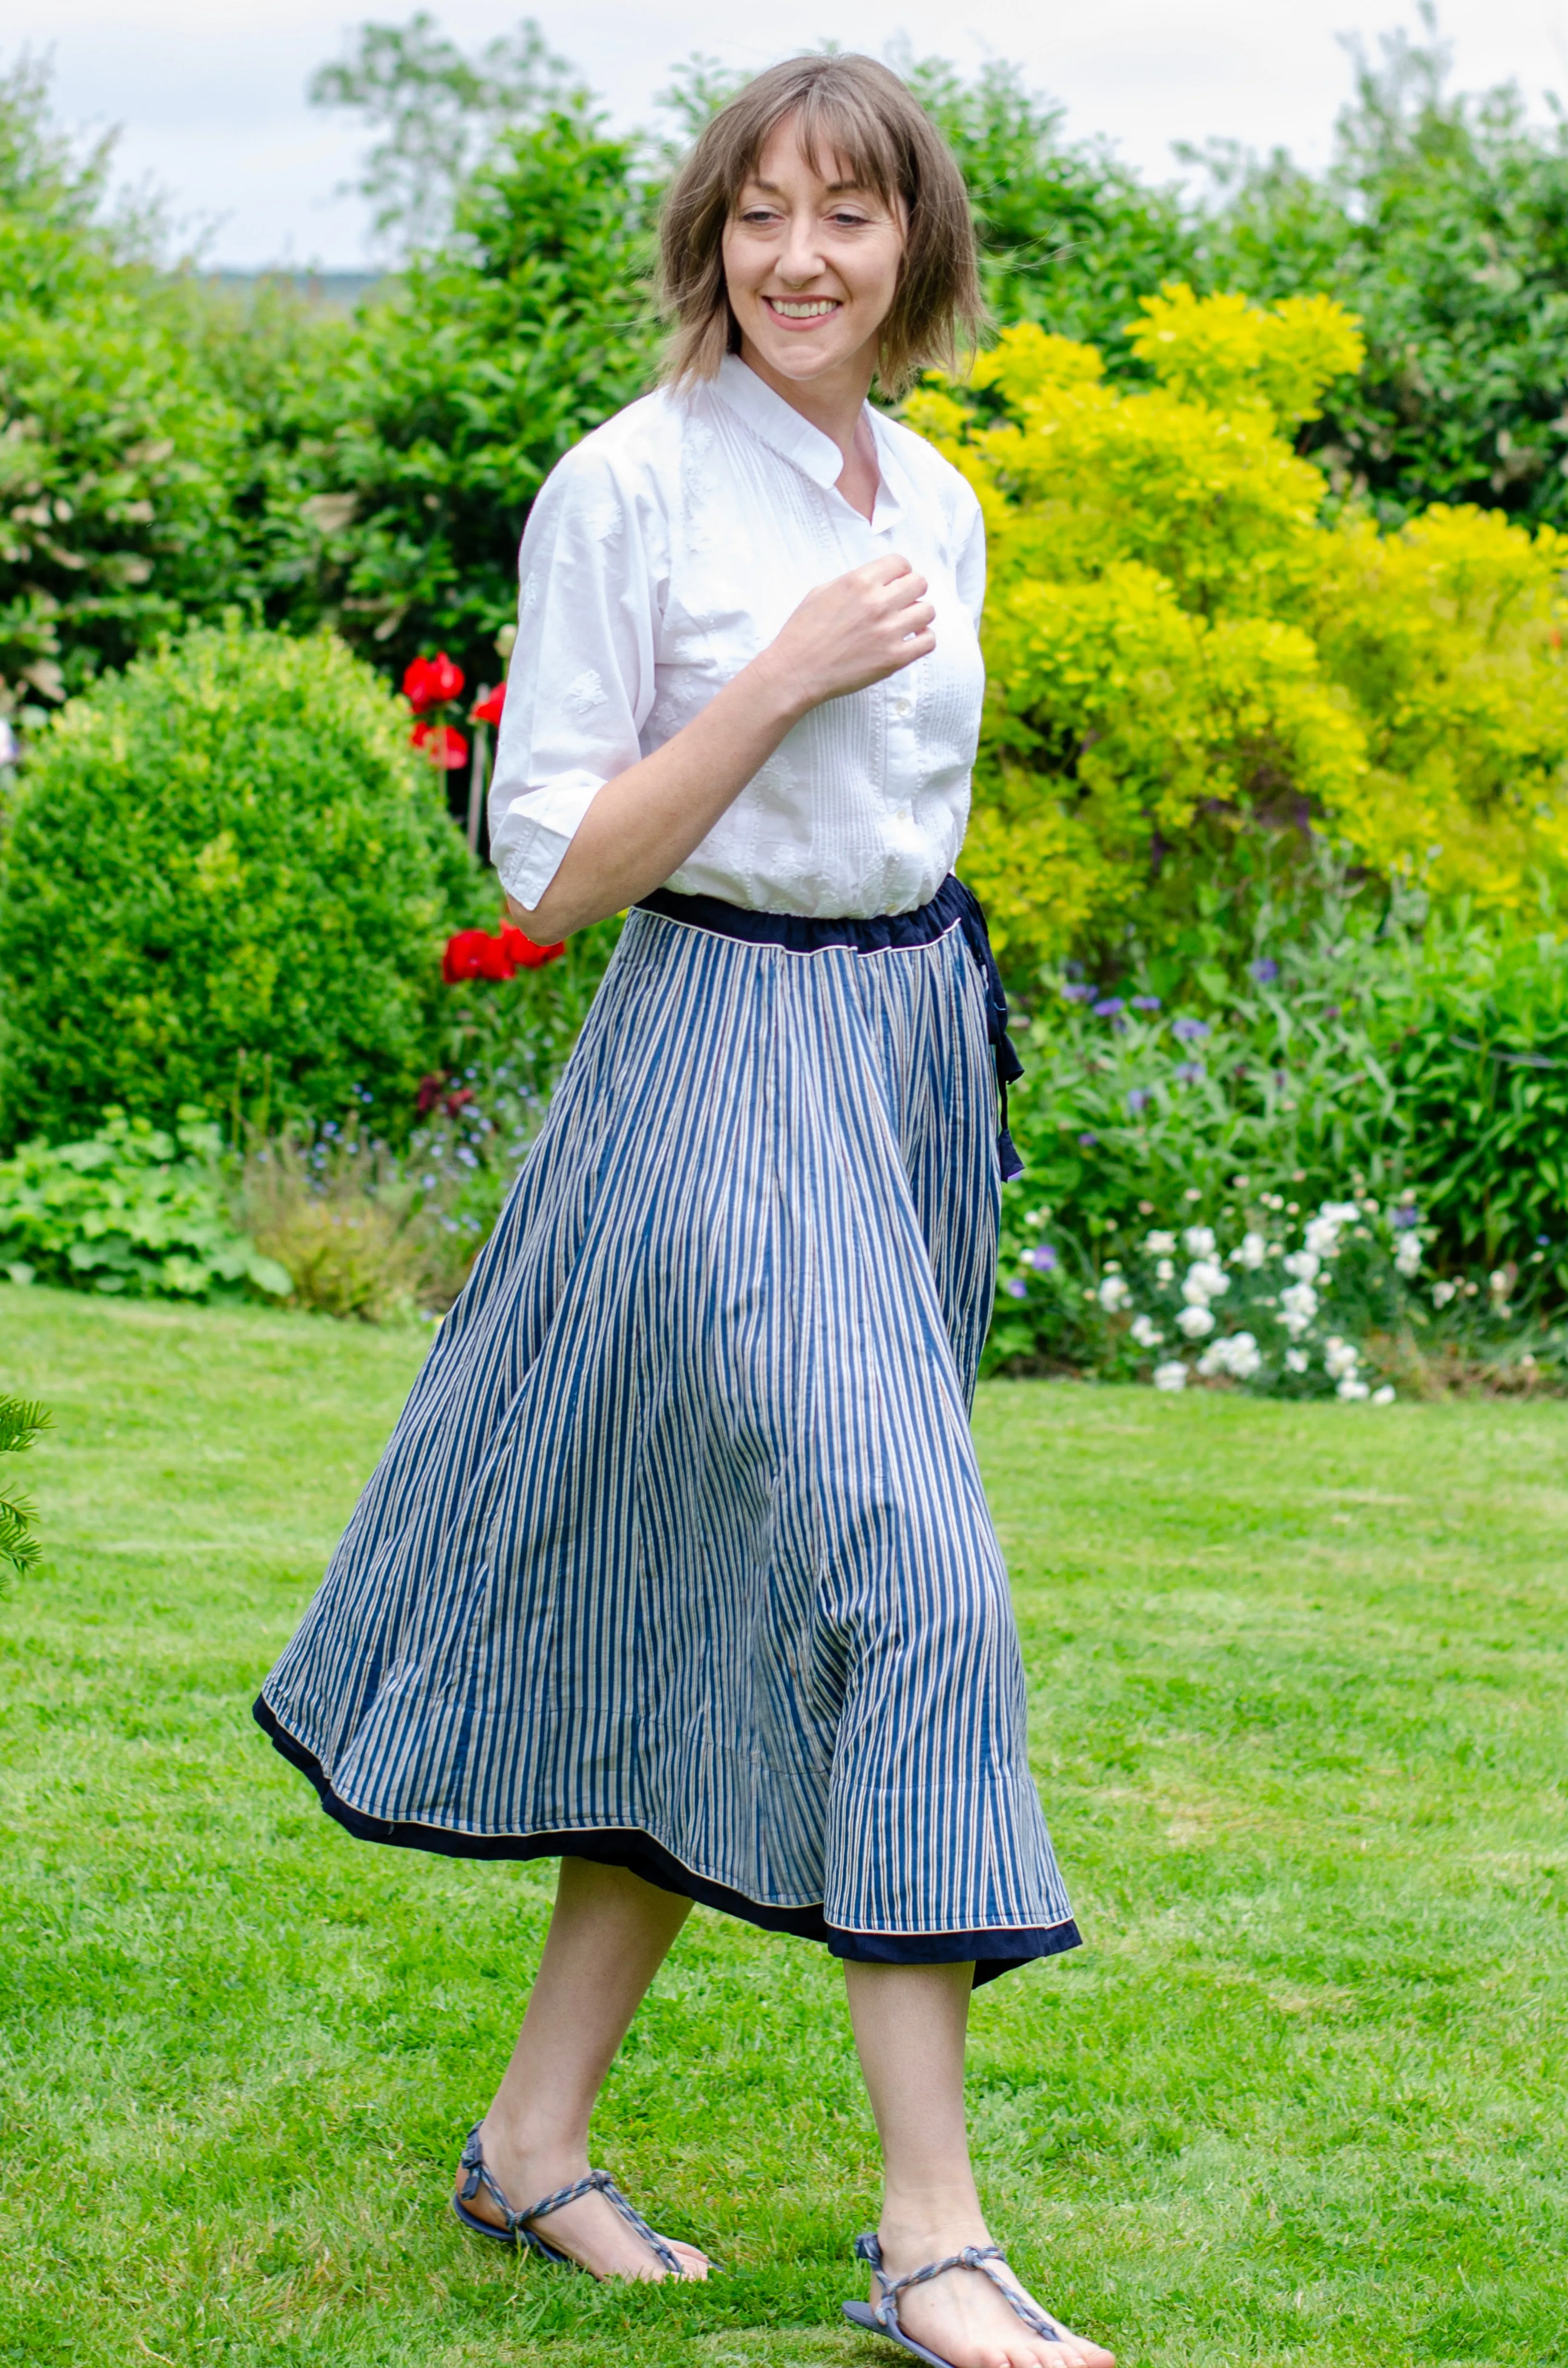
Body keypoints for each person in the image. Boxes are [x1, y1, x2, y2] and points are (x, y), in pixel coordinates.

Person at [255, 51, 1114, 2368]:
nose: (800, 257)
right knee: (910, 1569)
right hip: (709, 1050)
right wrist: (774, 684)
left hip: (899, 1062)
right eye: (760, 214)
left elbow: (900, 828)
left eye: (848, 216)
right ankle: (932, 2231)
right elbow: (551, 870)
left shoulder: (935, 494)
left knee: (706, 1594)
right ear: (709, 239)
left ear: (915, 249)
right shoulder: (627, 488)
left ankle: (534, 2137)